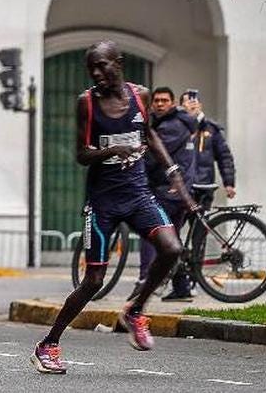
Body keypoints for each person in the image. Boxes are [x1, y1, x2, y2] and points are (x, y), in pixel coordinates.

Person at [30, 41, 198, 375]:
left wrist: (173, 172)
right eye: (91, 68)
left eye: (103, 65)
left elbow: (149, 134)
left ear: (118, 64)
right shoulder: (87, 103)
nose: (97, 73)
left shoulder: (141, 96)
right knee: (94, 281)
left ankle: (135, 311)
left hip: (137, 195)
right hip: (103, 203)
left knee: (172, 248)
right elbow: (81, 154)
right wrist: (110, 152)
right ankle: (47, 345)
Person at [134, 86, 197, 302]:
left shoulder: (173, 125)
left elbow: (153, 156)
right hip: (172, 189)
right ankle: (181, 287)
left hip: (169, 190)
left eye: (164, 100)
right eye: (156, 101)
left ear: (172, 104)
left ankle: (144, 279)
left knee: (150, 233)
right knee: (172, 239)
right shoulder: (164, 122)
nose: (160, 104)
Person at [181, 92, 236, 208]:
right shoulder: (177, 127)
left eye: (194, 101)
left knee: (200, 222)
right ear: (181, 106)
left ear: (200, 105)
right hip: (182, 185)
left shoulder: (211, 129)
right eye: (188, 101)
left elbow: (224, 156)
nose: (192, 104)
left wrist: (229, 183)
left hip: (203, 186)